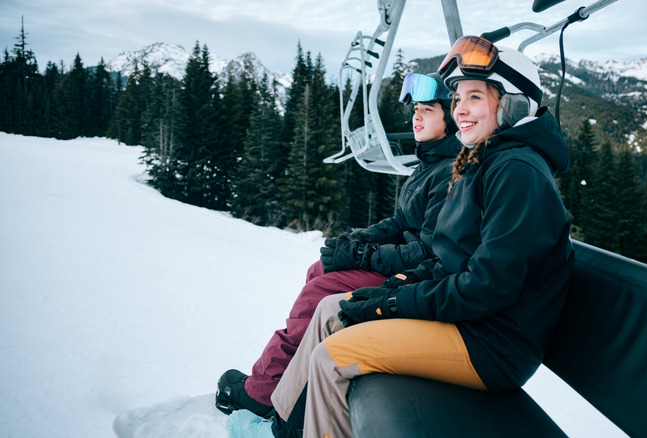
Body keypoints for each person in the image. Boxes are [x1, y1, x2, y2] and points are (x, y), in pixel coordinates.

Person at [226, 35, 574, 438]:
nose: (461, 109)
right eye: (458, 98)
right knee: (332, 311)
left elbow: (488, 286)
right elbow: (448, 257)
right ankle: (282, 425)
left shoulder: (517, 171)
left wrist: (393, 300)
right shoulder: (486, 160)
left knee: (334, 357)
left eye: (474, 97)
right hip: (471, 322)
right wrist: (397, 286)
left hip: (490, 343)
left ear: (513, 103)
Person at [215, 72, 462, 419]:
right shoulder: (430, 163)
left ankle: (263, 390)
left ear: (450, 119)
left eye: (427, 111)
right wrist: (360, 239)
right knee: (319, 269)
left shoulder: (450, 172)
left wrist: (364, 256)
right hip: (402, 265)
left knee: (320, 291)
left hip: (414, 280)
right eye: (415, 110)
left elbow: (427, 251)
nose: (416, 118)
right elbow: (401, 223)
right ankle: (289, 372)